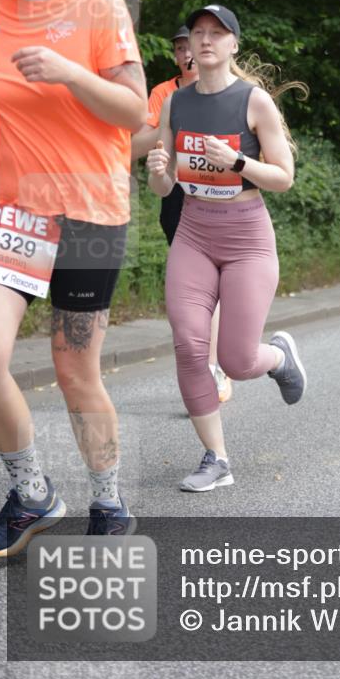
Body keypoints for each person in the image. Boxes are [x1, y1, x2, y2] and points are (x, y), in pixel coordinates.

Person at [0, 0, 147, 556]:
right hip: (18, 208)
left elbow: (134, 111)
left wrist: (68, 73)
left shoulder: (97, 3)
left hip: (88, 207)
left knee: (74, 366)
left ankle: (107, 499)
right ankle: (31, 493)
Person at [146, 3, 307, 491]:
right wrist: (159, 173)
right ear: (189, 45)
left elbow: (283, 177)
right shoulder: (176, 103)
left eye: (217, 33)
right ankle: (215, 458)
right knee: (190, 346)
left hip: (246, 238)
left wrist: (238, 162)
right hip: (194, 232)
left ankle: (278, 357)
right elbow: (164, 185)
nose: (206, 40)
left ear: (233, 44)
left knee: (236, 360)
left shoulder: (254, 101)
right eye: (198, 33)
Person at [131, 26, 231, 402]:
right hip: (176, 194)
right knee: (198, 285)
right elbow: (144, 141)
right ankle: (207, 365)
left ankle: (216, 364)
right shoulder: (163, 93)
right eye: (179, 49)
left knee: (217, 284)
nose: (186, 54)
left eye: (189, 46)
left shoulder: (227, 90)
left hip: (220, 194)